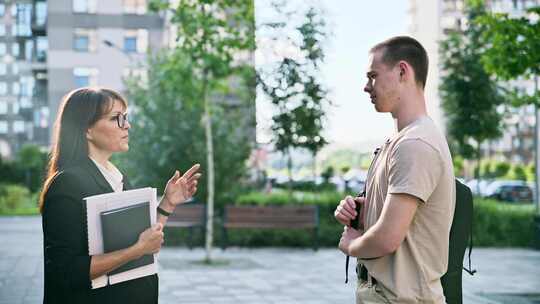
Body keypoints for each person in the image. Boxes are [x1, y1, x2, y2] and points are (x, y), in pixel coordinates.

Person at [40, 87, 202, 304]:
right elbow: (65, 271)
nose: (127, 125)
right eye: (116, 118)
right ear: (87, 129)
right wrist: (136, 251)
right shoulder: (67, 184)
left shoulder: (117, 177)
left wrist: (167, 203)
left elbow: (144, 238)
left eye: (125, 117)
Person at [334, 36, 455, 303]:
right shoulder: (398, 142)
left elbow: (387, 238)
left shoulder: (415, 143)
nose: (366, 87)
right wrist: (358, 211)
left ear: (402, 71)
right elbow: (398, 221)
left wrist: (350, 245)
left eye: (373, 76)